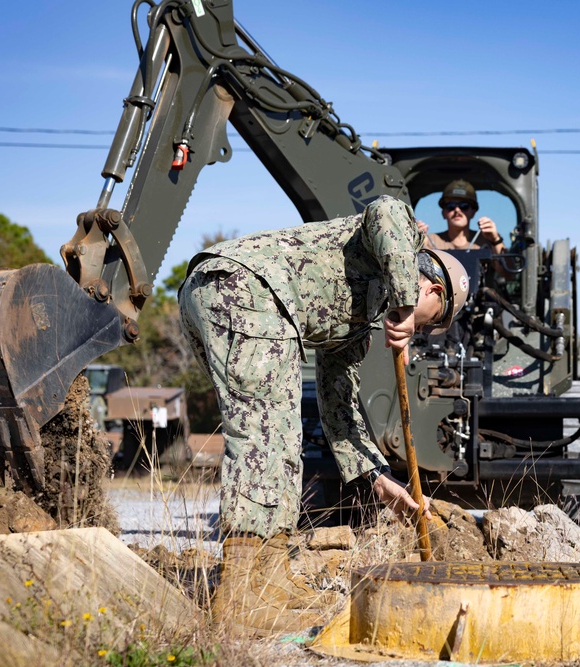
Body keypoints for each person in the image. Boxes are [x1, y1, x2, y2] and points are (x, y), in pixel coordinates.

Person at [178, 195, 469, 636]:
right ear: (434, 291)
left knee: (279, 438)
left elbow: (341, 409)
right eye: (430, 323)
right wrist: (408, 306)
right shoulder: (403, 241)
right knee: (265, 437)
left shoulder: (358, 322)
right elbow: (384, 208)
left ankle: (268, 583)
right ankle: (238, 596)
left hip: (222, 292)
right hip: (245, 288)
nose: (421, 331)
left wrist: (382, 481)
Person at [418, 179, 507, 253]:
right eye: (451, 206)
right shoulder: (430, 241)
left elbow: (508, 272)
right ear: (443, 213)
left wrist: (495, 240)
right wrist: (417, 241)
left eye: (464, 206)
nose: (457, 210)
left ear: (473, 212)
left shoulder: (485, 242)